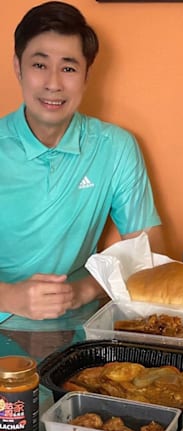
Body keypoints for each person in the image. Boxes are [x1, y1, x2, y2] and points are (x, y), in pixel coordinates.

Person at [0, 2, 161, 333]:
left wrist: (83, 291)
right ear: (18, 67)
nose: (53, 83)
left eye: (68, 68)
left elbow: (151, 250)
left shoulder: (114, 147)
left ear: (87, 74)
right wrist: (8, 297)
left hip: (77, 328)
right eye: (39, 65)